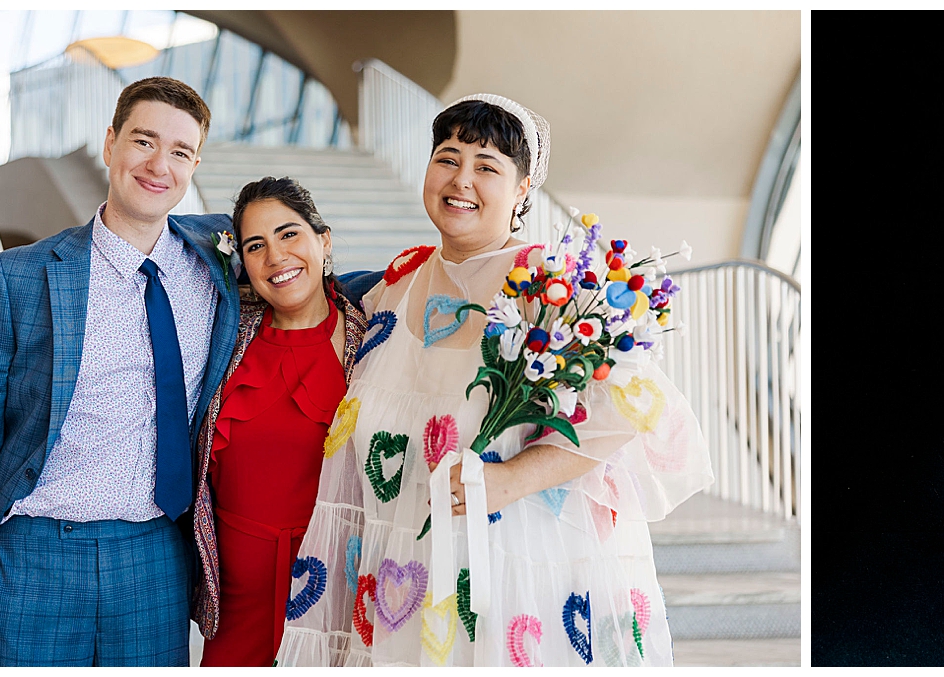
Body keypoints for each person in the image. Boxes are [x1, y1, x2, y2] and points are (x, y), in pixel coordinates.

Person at [274, 94, 712, 666]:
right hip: (398, 573)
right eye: (448, 158)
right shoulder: (394, 287)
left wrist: (511, 481)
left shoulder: (554, 290)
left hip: (517, 575)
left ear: (523, 188)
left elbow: (634, 409)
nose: (461, 180)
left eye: (487, 166)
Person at [0, 76, 238, 666]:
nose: (159, 165)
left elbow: (303, 270)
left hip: (153, 557)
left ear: (196, 163)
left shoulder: (217, 263)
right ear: (110, 144)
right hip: (34, 556)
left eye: (179, 152)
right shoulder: (19, 276)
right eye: (144, 141)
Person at [188, 178, 370, 665]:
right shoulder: (225, 331)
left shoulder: (370, 336)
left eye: (289, 235)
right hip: (235, 602)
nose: (275, 257)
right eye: (255, 245)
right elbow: (173, 232)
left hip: (331, 590)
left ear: (323, 240)